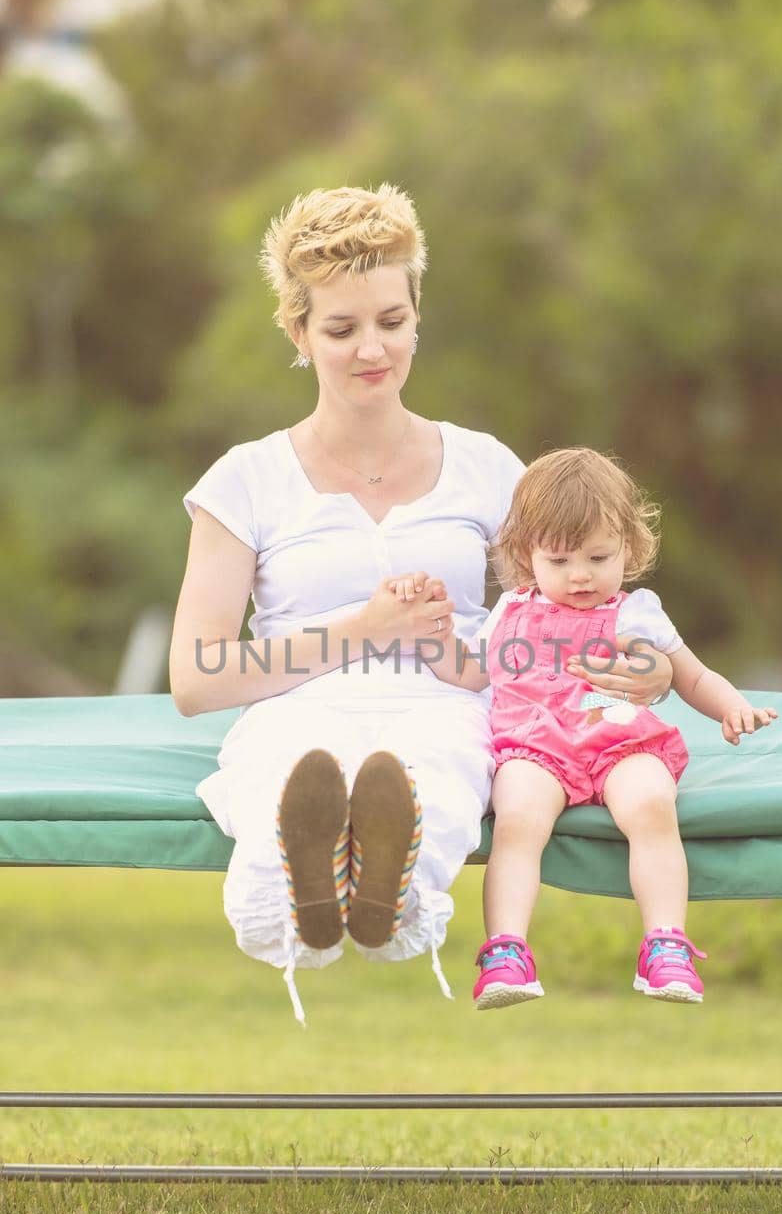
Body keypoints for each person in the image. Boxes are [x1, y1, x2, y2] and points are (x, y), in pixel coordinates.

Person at [170, 185, 674, 1024]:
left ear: (416, 316)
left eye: (392, 321)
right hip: (298, 703)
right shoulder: (244, 481)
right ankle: (313, 889)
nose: (373, 348)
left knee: (432, 770)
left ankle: (382, 891)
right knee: (297, 772)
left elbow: (570, 615)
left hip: (453, 696)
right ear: (297, 332)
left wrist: (645, 671)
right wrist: (363, 630)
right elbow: (196, 678)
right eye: (341, 329)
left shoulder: (486, 468)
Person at [409, 446, 779, 1009]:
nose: (580, 575)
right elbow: (468, 673)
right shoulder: (509, 611)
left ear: (627, 547)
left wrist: (731, 706)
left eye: (598, 557)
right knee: (516, 821)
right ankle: (506, 949)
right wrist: (431, 638)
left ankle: (665, 943)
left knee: (651, 804)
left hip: (619, 743)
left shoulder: (636, 612)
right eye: (559, 562)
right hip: (533, 749)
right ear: (526, 554)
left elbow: (692, 675)